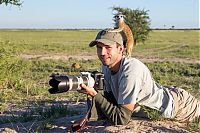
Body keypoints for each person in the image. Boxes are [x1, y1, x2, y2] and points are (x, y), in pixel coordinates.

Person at [79, 29, 200, 125]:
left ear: (121, 49)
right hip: (164, 93)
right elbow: (112, 102)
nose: (102, 53)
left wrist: (95, 95)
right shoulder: (106, 66)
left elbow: (121, 118)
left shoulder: (131, 70)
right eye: (99, 47)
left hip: (179, 106)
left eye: (107, 47)